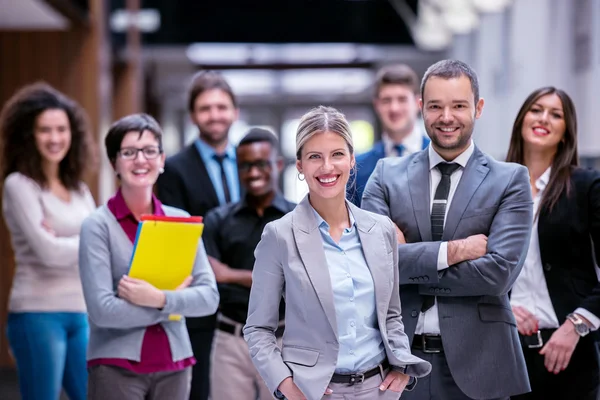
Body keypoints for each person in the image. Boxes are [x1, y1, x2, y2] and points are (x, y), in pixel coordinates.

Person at [361, 59, 533, 400]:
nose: (447, 117)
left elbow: (498, 275)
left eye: (458, 106)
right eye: (436, 106)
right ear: (422, 107)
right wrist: (452, 252)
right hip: (398, 364)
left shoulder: (510, 180)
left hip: (482, 364)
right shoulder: (385, 175)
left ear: (478, 108)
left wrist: (405, 259)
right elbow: (371, 265)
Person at [244, 106, 431, 400]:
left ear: (352, 160)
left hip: (379, 390)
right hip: (313, 392)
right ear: (300, 166)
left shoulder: (381, 230)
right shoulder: (279, 235)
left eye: (337, 154)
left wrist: (401, 365)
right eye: (314, 157)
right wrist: (287, 387)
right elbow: (257, 329)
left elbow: (391, 313)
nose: (327, 167)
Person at [78, 113, 219, 400]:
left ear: (162, 159)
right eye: (129, 152)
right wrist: (171, 306)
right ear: (114, 163)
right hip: (116, 367)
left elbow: (208, 298)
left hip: (175, 363)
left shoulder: (180, 221)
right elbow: (102, 311)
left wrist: (159, 299)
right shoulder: (98, 225)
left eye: (149, 151)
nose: (140, 160)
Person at [0, 82, 96, 400]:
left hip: (80, 312)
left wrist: (70, 241)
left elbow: (101, 242)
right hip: (37, 313)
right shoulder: (19, 185)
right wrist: (87, 242)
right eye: (45, 130)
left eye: (61, 129)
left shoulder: (80, 189)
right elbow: (48, 253)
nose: (55, 138)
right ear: (29, 134)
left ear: (73, 133)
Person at [506, 87, 600, 400]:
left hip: (569, 356)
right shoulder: (492, 188)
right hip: (506, 353)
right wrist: (500, 306)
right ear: (522, 120)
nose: (543, 118)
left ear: (565, 132)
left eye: (555, 114)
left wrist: (576, 325)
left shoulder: (586, 186)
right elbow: (476, 269)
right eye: (536, 109)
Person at [155, 70, 239, 399]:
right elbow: (178, 234)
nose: (214, 115)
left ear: (234, 111)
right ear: (193, 115)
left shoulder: (251, 163)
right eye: (205, 108)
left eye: (221, 107)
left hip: (246, 303)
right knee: (200, 389)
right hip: (201, 298)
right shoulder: (174, 169)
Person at [202, 127, 295, 400]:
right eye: (246, 166)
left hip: (283, 340)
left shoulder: (298, 218)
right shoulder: (218, 220)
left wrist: (230, 275)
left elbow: (297, 280)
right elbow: (210, 278)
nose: (253, 173)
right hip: (230, 341)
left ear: (278, 164)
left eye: (261, 164)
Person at [347, 64, 430, 206]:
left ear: (418, 104)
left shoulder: (440, 157)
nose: (394, 108)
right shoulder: (357, 168)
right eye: (386, 100)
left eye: (402, 99)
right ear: (377, 105)